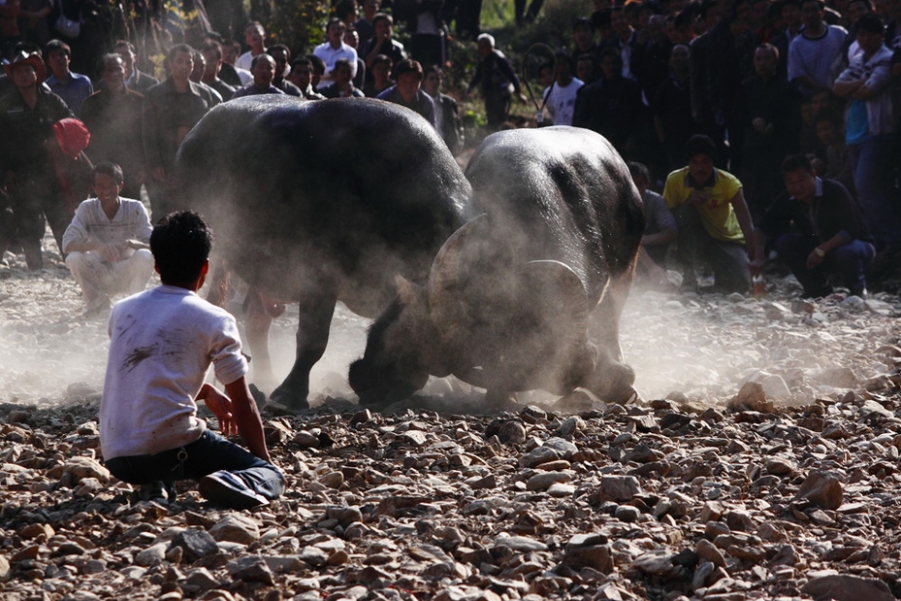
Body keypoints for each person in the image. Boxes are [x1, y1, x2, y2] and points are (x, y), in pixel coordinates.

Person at [100, 210, 285, 508]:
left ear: (157, 265)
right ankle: (235, 481)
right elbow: (243, 402)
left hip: (118, 457)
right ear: (205, 268)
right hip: (172, 450)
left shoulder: (122, 310)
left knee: (161, 444)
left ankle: (155, 486)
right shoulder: (216, 319)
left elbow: (144, 372)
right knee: (266, 475)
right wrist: (264, 464)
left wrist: (207, 391)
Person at [754, 154, 875, 298]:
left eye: (801, 180)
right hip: (819, 251)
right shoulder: (788, 198)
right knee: (785, 243)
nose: (797, 187)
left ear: (813, 174)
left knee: (847, 252)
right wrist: (757, 257)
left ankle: (857, 292)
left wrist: (821, 250)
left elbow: (850, 231)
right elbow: (762, 226)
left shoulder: (834, 189)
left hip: (856, 247)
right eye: (790, 182)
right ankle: (818, 290)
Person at [833, 12, 901, 251]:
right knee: (866, 190)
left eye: (870, 34)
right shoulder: (859, 59)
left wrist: (853, 86)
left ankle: (892, 237)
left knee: (867, 186)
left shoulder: (886, 58)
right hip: (855, 132)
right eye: (861, 34)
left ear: (881, 36)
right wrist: (856, 85)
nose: (865, 39)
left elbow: (869, 90)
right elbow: (837, 86)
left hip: (878, 131)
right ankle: (879, 239)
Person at [0, 49, 73, 269]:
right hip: (19, 173)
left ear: (36, 74)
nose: (23, 75)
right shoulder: (4, 105)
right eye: (18, 71)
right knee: (28, 223)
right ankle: (35, 267)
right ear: (12, 77)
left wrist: (58, 138)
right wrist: (5, 173)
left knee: (61, 220)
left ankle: (72, 262)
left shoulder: (51, 100)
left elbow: (72, 122)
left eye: (27, 70)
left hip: (51, 170)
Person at [663, 135, 756, 293]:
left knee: (741, 285)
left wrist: (754, 259)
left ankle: (721, 276)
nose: (700, 168)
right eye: (694, 162)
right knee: (684, 213)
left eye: (705, 162)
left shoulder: (729, 182)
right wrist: (687, 202)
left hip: (724, 239)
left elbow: (746, 222)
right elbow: (665, 217)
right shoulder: (675, 179)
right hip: (691, 239)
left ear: (713, 162)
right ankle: (689, 276)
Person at [62, 162, 153, 318]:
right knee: (74, 258)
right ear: (94, 188)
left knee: (145, 255)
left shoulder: (135, 208)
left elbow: (156, 245)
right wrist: (97, 246)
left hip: (126, 271)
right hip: (99, 272)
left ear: (121, 186)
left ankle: (135, 303)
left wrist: (131, 243)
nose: (106, 191)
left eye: (111, 185)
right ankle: (97, 304)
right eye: (100, 186)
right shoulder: (87, 208)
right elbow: (67, 244)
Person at [142, 44, 219, 220]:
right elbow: (148, 133)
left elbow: (211, 131)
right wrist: (154, 164)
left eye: (188, 62)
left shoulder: (204, 95)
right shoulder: (154, 94)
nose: (184, 66)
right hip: (165, 164)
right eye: (179, 61)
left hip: (194, 165)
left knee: (193, 213)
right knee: (163, 215)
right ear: (170, 63)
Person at [735, 43, 801, 220]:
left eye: (767, 58)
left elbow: (794, 117)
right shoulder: (746, 87)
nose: (762, 63)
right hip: (753, 150)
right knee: (753, 195)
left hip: (778, 149)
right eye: (758, 59)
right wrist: (752, 121)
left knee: (778, 193)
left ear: (776, 61)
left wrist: (776, 125)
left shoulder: (786, 88)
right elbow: (736, 115)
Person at [81, 54, 146, 200]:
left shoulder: (138, 101)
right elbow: (86, 141)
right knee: (102, 216)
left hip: (130, 170)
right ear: (103, 74)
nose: (114, 74)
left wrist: (143, 166)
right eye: (109, 70)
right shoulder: (91, 103)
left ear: (126, 71)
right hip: (101, 170)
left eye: (118, 69)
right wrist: (90, 169)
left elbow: (144, 136)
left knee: (130, 214)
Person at [788, 0, 847, 96]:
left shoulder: (839, 33)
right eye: (806, 11)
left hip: (842, 94)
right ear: (801, 15)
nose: (810, 15)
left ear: (822, 12)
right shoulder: (796, 44)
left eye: (814, 10)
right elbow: (799, 74)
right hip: (813, 99)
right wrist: (824, 91)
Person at [467, 33, 526, 130]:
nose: (481, 50)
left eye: (483, 47)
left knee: (501, 119)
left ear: (490, 47)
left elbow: (511, 76)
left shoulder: (499, 59)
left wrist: (519, 93)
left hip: (501, 94)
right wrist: (471, 87)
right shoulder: (484, 60)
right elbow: (478, 75)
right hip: (489, 94)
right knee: (491, 119)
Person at [629, 161, 677, 269]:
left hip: (647, 247)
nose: (635, 190)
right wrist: (652, 268)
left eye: (639, 185)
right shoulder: (616, 202)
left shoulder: (655, 200)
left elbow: (671, 231)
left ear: (647, 184)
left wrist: (644, 240)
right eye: (631, 185)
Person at [377, 58, 436, 127]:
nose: (409, 86)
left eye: (413, 81)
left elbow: (431, 131)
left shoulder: (426, 103)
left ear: (420, 82)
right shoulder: (383, 101)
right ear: (397, 82)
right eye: (404, 81)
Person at [43, 39, 92, 117]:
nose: (58, 59)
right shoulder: (46, 87)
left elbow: (92, 107)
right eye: (53, 56)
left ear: (68, 58)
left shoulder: (83, 82)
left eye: (61, 54)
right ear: (48, 62)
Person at [423, 64, 463, 154]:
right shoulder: (419, 101)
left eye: (438, 79)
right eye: (431, 79)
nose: (435, 82)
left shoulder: (448, 103)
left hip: (445, 148)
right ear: (424, 81)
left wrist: (459, 142)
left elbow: (458, 125)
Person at [313, 18, 358, 90]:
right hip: (321, 90)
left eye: (339, 29)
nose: (336, 32)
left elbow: (352, 73)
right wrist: (338, 73)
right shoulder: (319, 50)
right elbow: (316, 72)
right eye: (333, 29)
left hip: (344, 92)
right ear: (328, 32)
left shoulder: (351, 52)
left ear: (344, 32)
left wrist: (328, 73)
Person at [542, 51, 583, 126]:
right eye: (557, 65)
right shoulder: (548, 93)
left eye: (563, 64)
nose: (561, 68)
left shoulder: (580, 87)